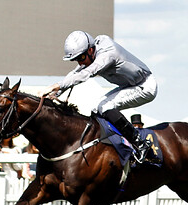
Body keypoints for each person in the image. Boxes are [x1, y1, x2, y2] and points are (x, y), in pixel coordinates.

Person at [43, 30, 158, 164]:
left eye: (80, 58)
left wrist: (57, 85)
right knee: (96, 108)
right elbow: (76, 72)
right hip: (129, 85)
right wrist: (54, 94)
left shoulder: (108, 55)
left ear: (91, 50)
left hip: (145, 85)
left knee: (105, 106)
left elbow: (87, 73)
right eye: (76, 60)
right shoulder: (92, 51)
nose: (80, 63)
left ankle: (140, 143)